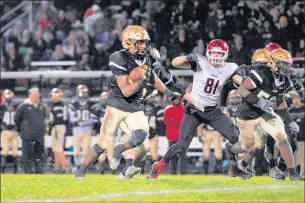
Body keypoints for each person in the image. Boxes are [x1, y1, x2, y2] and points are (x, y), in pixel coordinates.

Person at [75, 25, 182, 179]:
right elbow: (126, 90)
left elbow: (153, 77)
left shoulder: (148, 57)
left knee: (143, 142)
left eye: (144, 42)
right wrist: (142, 80)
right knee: (104, 142)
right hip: (117, 104)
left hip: (135, 106)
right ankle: (81, 172)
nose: (143, 46)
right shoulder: (119, 57)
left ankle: (125, 166)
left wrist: (168, 92)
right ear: (129, 42)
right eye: (139, 42)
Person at [148, 39, 250, 179]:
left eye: (219, 53)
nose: (215, 56)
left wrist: (252, 80)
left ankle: (234, 167)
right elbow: (174, 63)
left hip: (212, 110)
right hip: (194, 109)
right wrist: (187, 57)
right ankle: (158, 165)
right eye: (213, 53)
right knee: (182, 145)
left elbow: (243, 82)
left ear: (225, 55)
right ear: (208, 52)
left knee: (235, 137)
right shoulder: (201, 62)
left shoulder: (230, 67)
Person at [226, 48, 304, 181]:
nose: (287, 67)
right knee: (247, 146)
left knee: (282, 137)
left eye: (288, 64)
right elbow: (242, 89)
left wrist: (288, 120)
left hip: (266, 113)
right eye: (283, 64)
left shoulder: (285, 81)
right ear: (273, 63)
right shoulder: (261, 73)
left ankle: (292, 174)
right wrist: (258, 101)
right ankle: (230, 150)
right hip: (248, 113)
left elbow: (280, 101)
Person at [14, 87, 47, 174]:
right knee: (27, 155)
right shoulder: (23, 106)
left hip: (39, 135)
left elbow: (45, 118)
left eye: (38, 95)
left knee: (39, 155)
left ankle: (39, 171)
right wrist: (23, 129)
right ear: (30, 95)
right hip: (27, 135)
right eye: (35, 95)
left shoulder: (42, 106)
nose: (37, 97)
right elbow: (17, 119)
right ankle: (28, 172)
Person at [69, 84, 95, 172]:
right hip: (77, 130)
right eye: (82, 93)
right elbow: (71, 119)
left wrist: (83, 122)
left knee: (85, 151)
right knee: (76, 151)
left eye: (85, 93)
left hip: (86, 130)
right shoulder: (73, 103)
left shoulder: (90, 103)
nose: (84, 95)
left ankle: (83, 167)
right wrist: (79, 120)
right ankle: (77, 166)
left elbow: (92, 119)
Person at [164, 97, 187, 175]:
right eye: (174, 99)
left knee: (182, 155)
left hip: (182, 136)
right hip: (172, 135)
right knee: (173, 155)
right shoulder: (168, 109)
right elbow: (167, 121)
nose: (176, 101)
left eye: (177, 99)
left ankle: (183, 172)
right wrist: (178, 123)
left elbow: (184, 122)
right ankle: (173, 172)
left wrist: (174, 121)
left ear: (180, 100)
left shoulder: (184, 109)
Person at [49, 88, 69, 174]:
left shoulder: (59, 104)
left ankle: (64, 167)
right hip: (56, 127)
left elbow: (61, 118)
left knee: (59, 148)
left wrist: (53, 124)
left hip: (59, 127)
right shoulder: (56, 104)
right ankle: (57, 167)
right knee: (55, 149)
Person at [0, 89, 19, 173]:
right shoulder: (2, 106)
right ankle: (2, 170)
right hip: (6, 131)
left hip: (14, 131)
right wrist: (3, 127)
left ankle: (15, 171)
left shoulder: (16, 106)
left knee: (15, 151)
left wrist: (16, 127)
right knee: (5, 150)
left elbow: (18, 118)